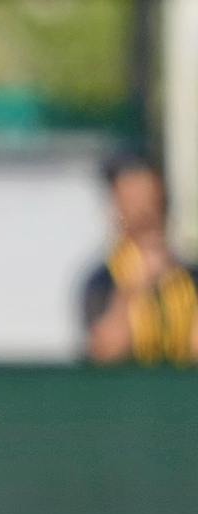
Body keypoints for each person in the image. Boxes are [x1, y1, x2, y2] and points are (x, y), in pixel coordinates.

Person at [83, 156, 197, 367]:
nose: (145, 214)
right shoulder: (102, 280)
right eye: (132, 204)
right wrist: (132, 289)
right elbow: (106, 351)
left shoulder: (188, 278)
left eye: (152, 203)